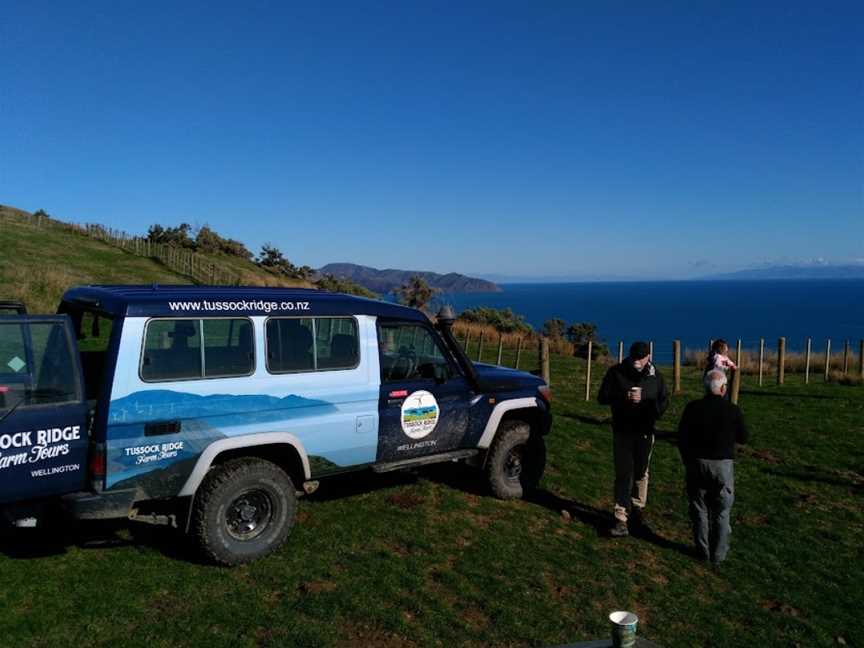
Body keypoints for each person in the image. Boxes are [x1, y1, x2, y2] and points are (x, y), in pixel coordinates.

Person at [677, 369, 749, 566]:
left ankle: (703, 550)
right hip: (722, 465)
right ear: (724, 388)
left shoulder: (692, 408)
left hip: (696, 462)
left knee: (699, 508)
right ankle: (718, 555)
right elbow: (744, 437)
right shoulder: (732, 410)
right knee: (722, 511)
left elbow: (681, 436)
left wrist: (687, 459)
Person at [598, 341, 669, 537]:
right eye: (634, 357)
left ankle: (637, 508)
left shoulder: (656, 377)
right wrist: (623, 396)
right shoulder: (616, 372)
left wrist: (645, 398)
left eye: (640, 358)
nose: (636, 361)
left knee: (641, 472)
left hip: (645, 431)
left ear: (648, 357)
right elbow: (602, 397)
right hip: (622, 431)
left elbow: (663, 401)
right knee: (623, 473)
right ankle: (621, 517)